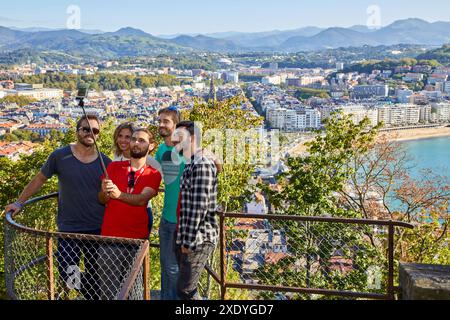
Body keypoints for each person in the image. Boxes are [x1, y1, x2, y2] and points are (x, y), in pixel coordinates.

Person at [4, 115, 112, 300]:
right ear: (77, 131)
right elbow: (39, 179)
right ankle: (94, 295)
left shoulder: (105, 161)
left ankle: (93, 295)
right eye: (86, 129)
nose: (90, 134)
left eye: (95, 131)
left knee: (95, 273)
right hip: (68, 227)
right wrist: (19, 202)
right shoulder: (60, 156)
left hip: (97, 227)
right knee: (67, 272)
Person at [97, 128, 162, 299]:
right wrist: (104, 192)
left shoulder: (153, 174)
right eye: (134, 139)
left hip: (136, 241)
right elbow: (102, 200)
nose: (136, 143)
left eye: (141, 140)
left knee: (134, 292)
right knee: (108, 291)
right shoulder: (113, 166)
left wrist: (118, 195)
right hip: (110, 238)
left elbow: (142, 199)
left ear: (151, 146)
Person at [173, 121, 219, 300]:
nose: (174, 141)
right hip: (190, 236)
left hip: (198, 238)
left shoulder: (201, 164)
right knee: (186, 288)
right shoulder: (193, 163)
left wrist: (188, 241)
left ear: (191, 139)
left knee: (186, 289)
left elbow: (198, 206)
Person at [154, 106, 184, 300]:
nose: (161, 124)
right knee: (166, 265)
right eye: (160, 121)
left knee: (174, 268)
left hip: (182, 219)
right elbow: (155, 176)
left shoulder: (186, 149)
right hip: (166, 217)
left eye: (166, 121)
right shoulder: (161, 149)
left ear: (176, 125)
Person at [112, 122, 161, 234]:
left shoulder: (148, 160)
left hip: (140, 210)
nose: (123, 140)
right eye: (120, 136)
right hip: (119, 213)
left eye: (128, 137)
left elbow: (157, 177)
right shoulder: (116, 160)